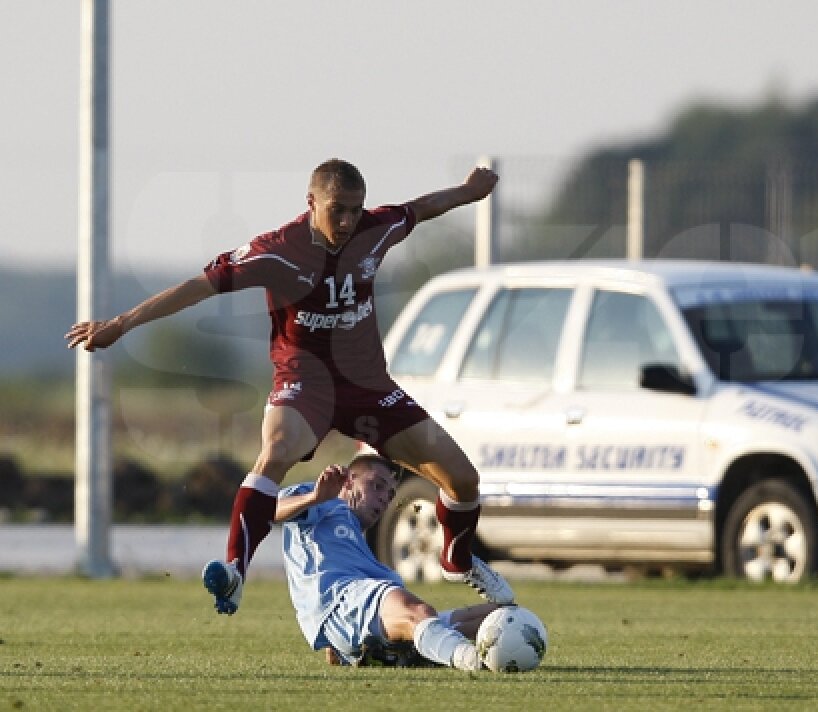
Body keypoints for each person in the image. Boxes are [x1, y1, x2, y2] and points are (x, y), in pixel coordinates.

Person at [65, 159, 513, 613]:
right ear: (311, 202)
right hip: (305, 384)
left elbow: (419, 208)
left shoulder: (375, 229)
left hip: (369, 387)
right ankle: (235, 571)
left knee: (462, 478)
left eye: (355, 210)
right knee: (277, 450)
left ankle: (457, 561)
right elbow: (196, 287)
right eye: (337, 210)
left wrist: (466, 191)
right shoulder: (277, 250)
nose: (347, 221)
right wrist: (120, 324)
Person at [278, 454, 499, 669]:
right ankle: (471, 661)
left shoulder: (356, 542)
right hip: (341, 602)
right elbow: (268, 510)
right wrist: (315, 497)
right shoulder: (323, 500)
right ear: (348, 481)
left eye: (391, 494)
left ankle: (381, 650)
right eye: (377, 486)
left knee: (490, 615)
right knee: (418, 612)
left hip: (360, 609)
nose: (385, 498)